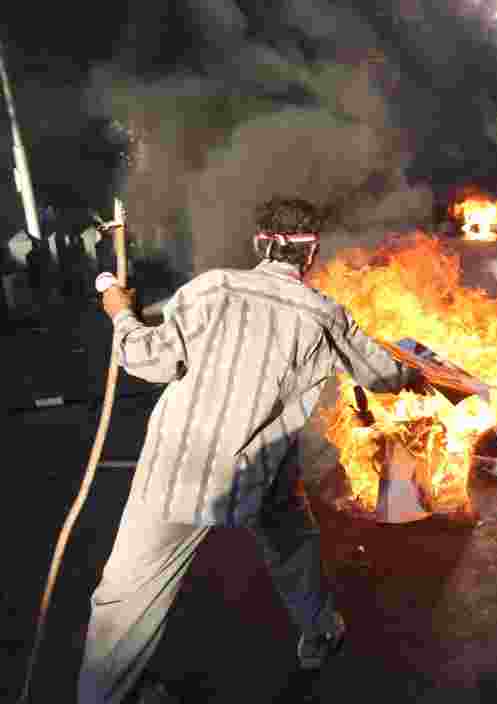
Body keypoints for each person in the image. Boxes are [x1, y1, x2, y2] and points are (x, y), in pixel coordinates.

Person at [81, 197, 425, 703]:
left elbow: (146, 359)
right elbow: (384, 373)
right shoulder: (325, 316)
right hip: (256, 468)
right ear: (311, 256)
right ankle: (320, 629)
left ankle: (103, 696)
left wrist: (119, 314)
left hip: (177, 471)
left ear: (260, 244)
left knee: (124, 601)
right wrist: (417, 373)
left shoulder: (210, 288)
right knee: (291, 533)